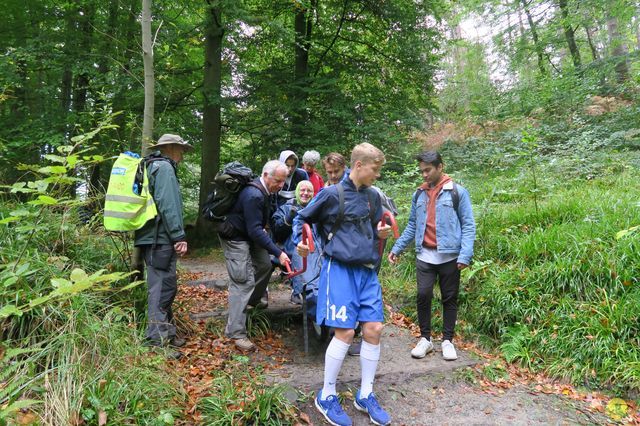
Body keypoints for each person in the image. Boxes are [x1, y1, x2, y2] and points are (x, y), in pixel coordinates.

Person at [294, 143, 393, 426]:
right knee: (345, 333)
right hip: (338, 270)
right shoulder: (330, 194)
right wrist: (301, 243)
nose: (378, 174)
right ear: (359, 165)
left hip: (367, 272)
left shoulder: (374, 197)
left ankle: (366, 394)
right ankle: (326, 395)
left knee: (374, 329)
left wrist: (381, 230)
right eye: (375, 169)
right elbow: (302, 219)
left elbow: (375, 226)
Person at [388, 151, 476, 361]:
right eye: (422, 171)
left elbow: (468, 225)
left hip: (450, 256)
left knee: (449, 298)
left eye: (428, 170)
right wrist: (397, 248)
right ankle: (425, 339)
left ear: (440, 167)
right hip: (424, 255)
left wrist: (465, 254)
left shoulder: (457, 192)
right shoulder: (419, 194)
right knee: (423, 295)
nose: (424, 175)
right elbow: (412, 224)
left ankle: (447, 341)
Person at [220, 160, 291, 352]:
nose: (281, 185)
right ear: (266, 175)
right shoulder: (254, 195)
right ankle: (236, 333)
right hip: (235, 237)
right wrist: (279, 252)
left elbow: (259, 228)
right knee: (243, 282)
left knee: (265, 265)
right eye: (277, 180)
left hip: (249, 235)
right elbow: (255, 231)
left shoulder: (266, 192)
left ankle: (251, 301)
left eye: (283, 181)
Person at [134, 134, 192, 359]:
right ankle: (156, 342)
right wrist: (179, 235)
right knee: (161, 289)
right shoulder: (164, 169)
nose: (183, 156)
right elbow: (168, 205)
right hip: (160, 238)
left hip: (153, 237)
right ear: (169, 148)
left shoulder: (152, 166)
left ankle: (167, 332)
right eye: (181, 150)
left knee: (166, 286)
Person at [272, 180, 320, 305]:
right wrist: (288, 218)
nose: (305, 193)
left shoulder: (317, 208)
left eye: (309, 191)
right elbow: (277, 232)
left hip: (314, 246)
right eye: (302, 190)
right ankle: (299, 291)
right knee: (299, 253)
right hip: (290, 245)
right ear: (297, 191)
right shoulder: (286, 207)